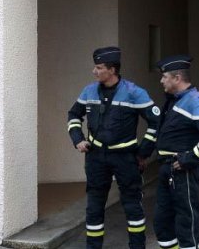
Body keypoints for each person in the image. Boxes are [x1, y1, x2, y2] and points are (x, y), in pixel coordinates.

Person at [67, 46, 160, 249]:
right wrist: (78, 139)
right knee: (94, 208)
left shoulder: (134, 93)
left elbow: (156, 122)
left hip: (125, 158)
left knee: (132, 207)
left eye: (99, 67)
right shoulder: (89, 90)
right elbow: (74, 114)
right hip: (96, 157)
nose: (94, 71)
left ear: (112, 69)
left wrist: (143, 152)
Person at [138, 55, 199, 249]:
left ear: (177, 78)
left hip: (184, 170)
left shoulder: (197, 101)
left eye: (164, 76)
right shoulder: (173, 101)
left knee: (186, 222)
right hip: (167, 168)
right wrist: (144, 153)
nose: (161, 80)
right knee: (162, 222)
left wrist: (189, 159)